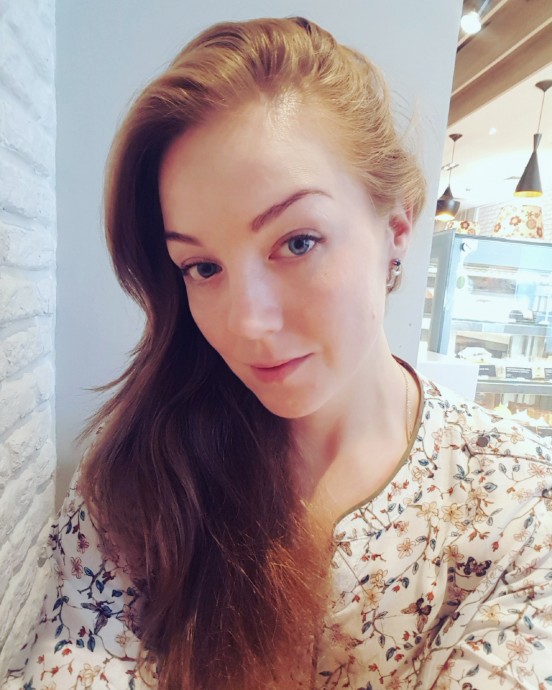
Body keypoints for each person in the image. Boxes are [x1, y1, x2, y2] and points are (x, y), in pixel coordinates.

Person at [3, 15, 552, 690]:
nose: (248, 321)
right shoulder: (143, 475)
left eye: (297, 242)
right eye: (203, 267)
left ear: (397, 228)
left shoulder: (516, 500)